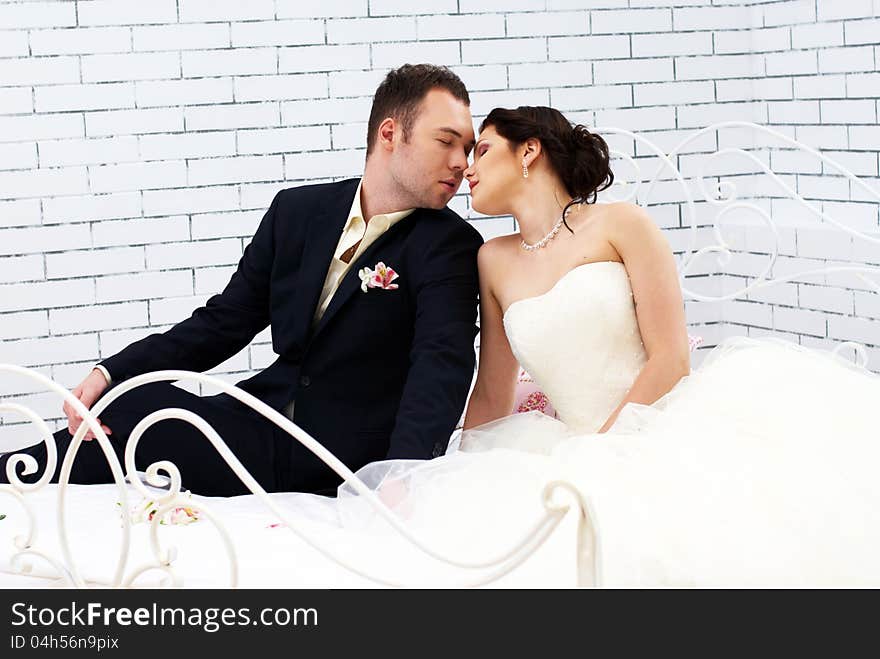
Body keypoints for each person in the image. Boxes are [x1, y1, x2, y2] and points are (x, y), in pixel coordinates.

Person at [243, 106, 880, 586]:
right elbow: (494, 388)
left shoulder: (621, 224)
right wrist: (435, 473)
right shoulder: (491, 260)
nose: (466, 166)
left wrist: (606, 450)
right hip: (566, 442)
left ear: (529, 152)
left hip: (658, 421)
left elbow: (670, 357)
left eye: (482, 149)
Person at [0, 63, 483, 497]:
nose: (462, 162)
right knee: (136, 402)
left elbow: (440, 365)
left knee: (139, 420)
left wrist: (400, 477)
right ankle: (14, 473)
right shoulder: (297, 212)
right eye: (447, 141)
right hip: (262, 418)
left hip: (341, 456)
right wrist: (112, 374)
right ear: (390, 133)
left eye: (467, 146)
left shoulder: (451, 246)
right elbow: (223, 323)